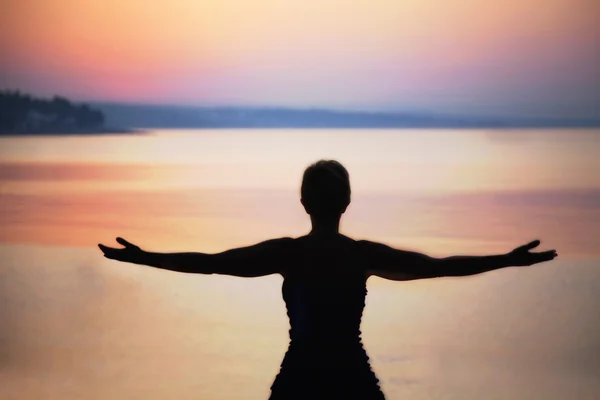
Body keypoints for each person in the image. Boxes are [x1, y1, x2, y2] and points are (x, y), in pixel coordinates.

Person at [98, 159, 558, 399]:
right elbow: (439, 266)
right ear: (346, 202)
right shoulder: (361, 256)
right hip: (350, 381)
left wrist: (146, 258)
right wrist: (506, 259)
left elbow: (212, 261)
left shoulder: (289, 254)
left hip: (299, 380)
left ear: (304, 202)